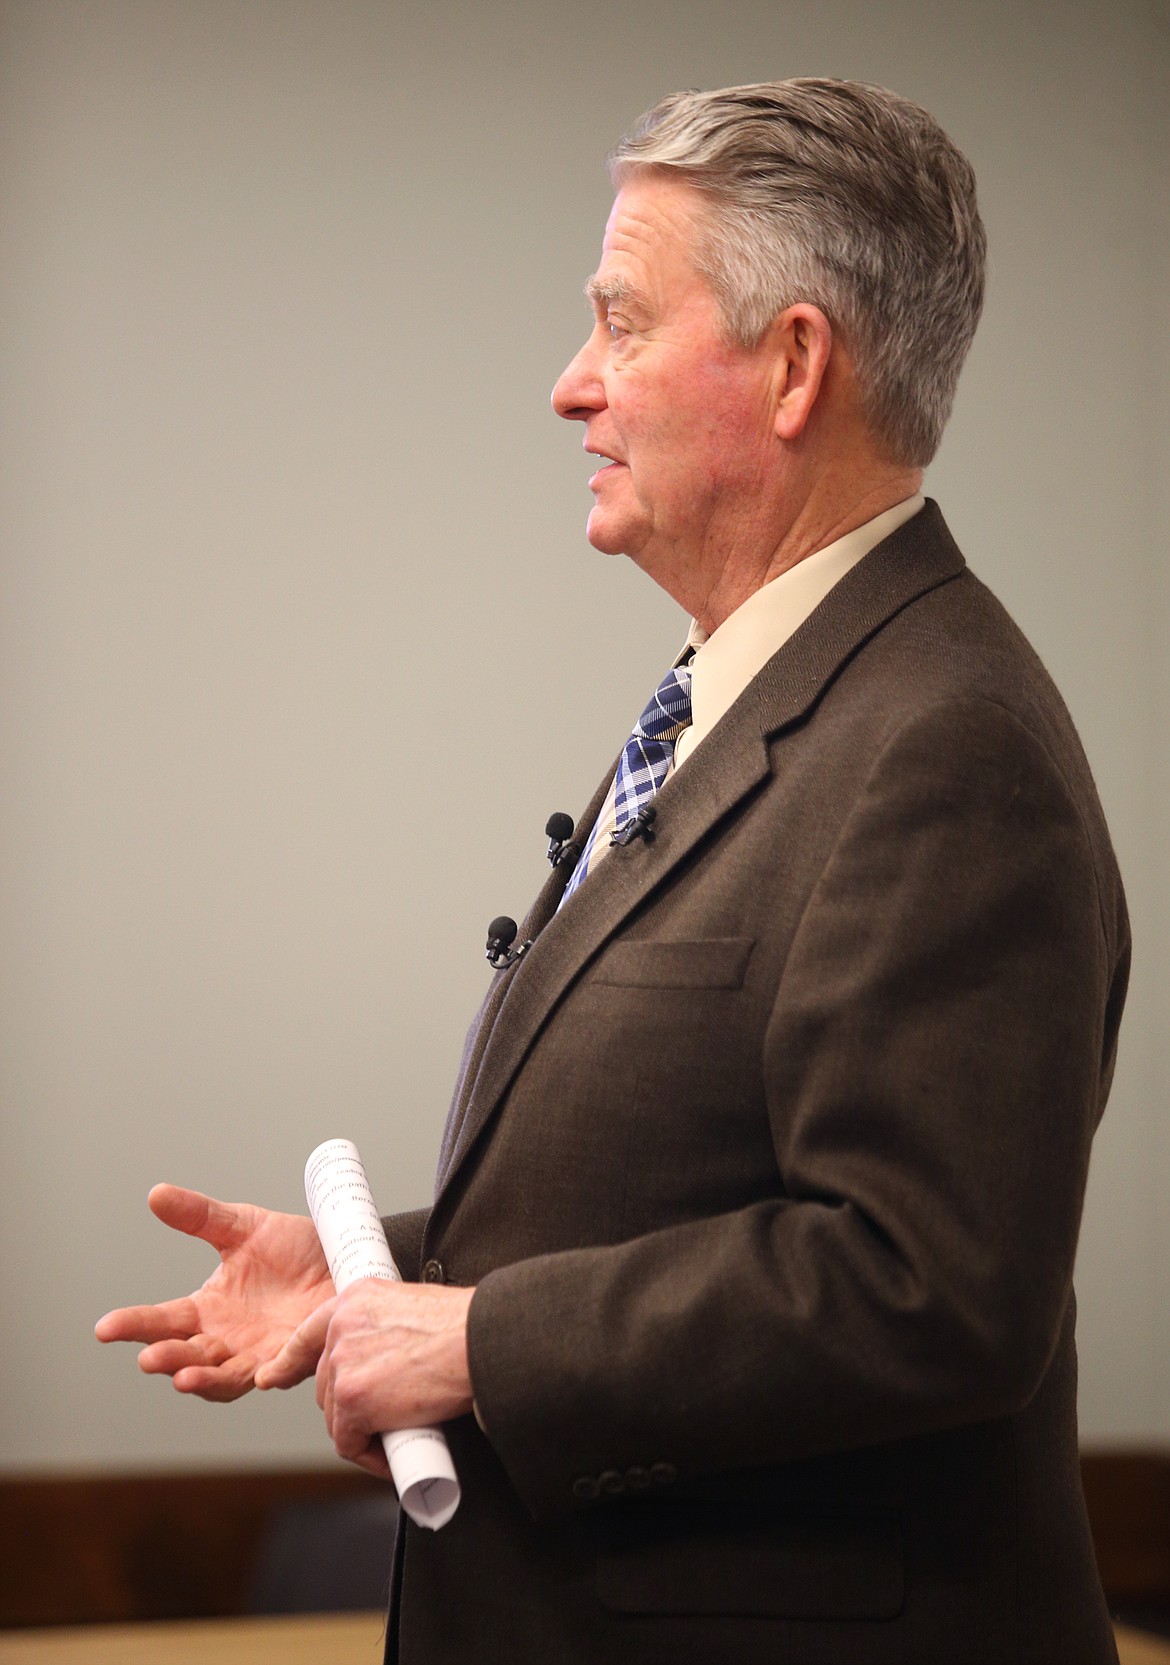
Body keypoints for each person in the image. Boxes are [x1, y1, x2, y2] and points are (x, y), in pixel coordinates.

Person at [97, 79, 1129, 1664]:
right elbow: (696, 1176)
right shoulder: (770, 691)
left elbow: (923, 1280)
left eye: (621, 323)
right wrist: (392, 1271)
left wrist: (478, 1340)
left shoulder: (942, 743)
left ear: (792, 367)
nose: (571, 385)